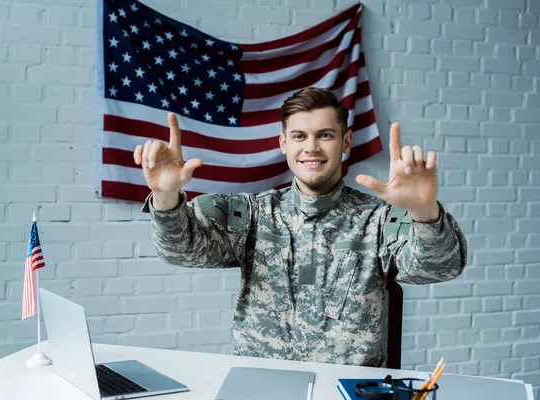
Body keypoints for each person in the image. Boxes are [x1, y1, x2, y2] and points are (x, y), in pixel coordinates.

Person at [135, 87, 467, 367]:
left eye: (325, 135)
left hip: (347, 391)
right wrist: (165, 195)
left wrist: (424, 211)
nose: (311, 147)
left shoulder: (378, 220)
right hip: (264, 385)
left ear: (346, 141)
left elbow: (439, 268)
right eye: (299, 136)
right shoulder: (252, 213)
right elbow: (182, 251)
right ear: (283, 144)